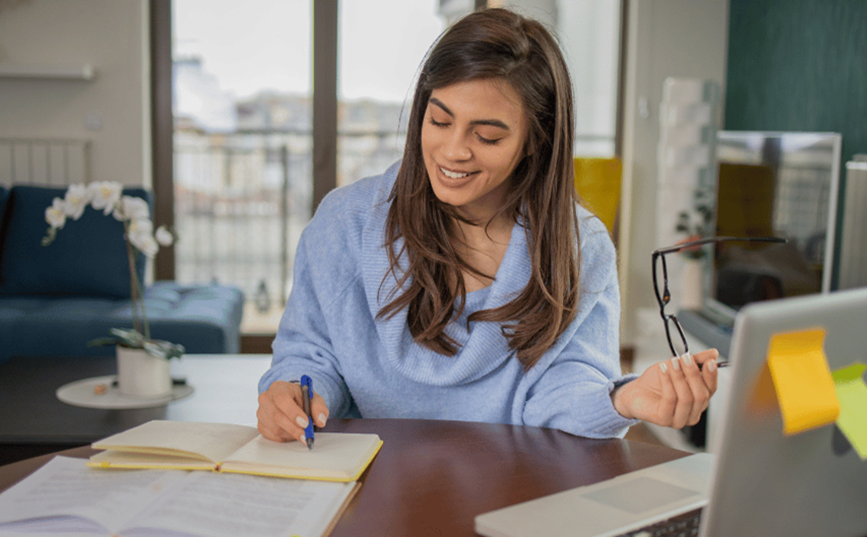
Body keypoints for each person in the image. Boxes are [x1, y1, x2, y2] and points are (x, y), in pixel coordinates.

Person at [256, 7, 718, 444]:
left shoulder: (578, 246)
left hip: (511, 498)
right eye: (439, 120)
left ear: (535, 140)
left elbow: (563, 388)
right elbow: (309, 355)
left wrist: (623, 398)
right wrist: (293, 391)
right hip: (370, 483)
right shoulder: (344, 223)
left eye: (488, 136)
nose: (453, 150)